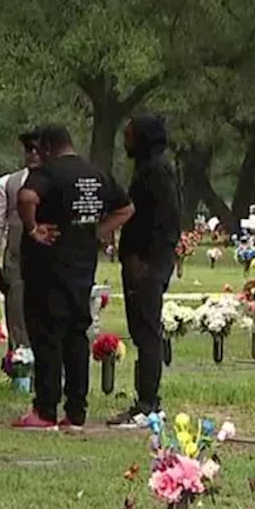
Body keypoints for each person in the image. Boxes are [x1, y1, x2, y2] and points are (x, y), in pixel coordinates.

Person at [14, 125, 133, 431]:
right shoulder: (96, 173)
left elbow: (27, 197)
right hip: (82, 265)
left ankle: (45, 408)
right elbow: (126, 208)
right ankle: (76, 411)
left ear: (49, 147)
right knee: (76, 337)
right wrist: (96, 232)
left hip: (48, 266)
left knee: (47, 336)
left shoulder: (49, 172)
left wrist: (32, 229)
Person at [110, 113, 181, 426]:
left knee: (147, 330)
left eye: (129, 136)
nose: (125, 142)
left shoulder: (154, 173)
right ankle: (146, 398)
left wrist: (143, 258)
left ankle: (149, 402)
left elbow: (155, 220)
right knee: (143, 330)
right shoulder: (151, 168)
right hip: (146, 258)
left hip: (146, 261)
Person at [0, 129, 43, 348]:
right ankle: (20, 367)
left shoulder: (57, 179)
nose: (34, 154)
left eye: (38, 149)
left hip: (51, 260)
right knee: (17, 311)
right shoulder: (8, 183)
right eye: (29, 149)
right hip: (17, 259)